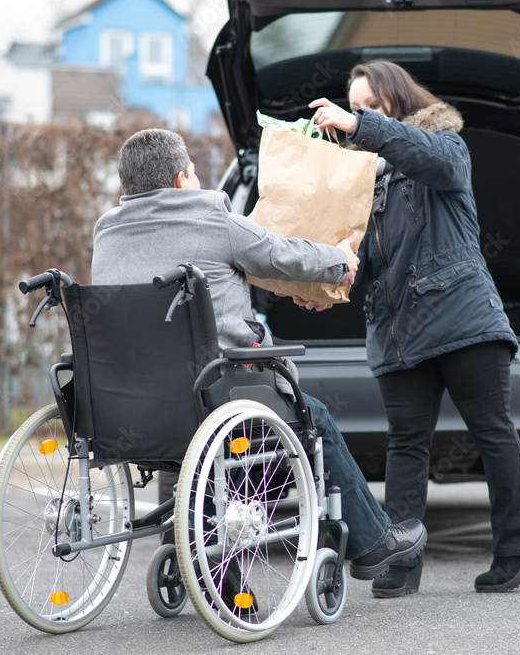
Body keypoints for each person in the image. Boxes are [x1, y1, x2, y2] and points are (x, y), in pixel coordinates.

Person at [90, 128, 426, 589]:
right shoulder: (207, 215)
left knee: (257, 447)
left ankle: (214, 563)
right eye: (191, 171)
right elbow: (278, 254)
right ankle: (373, 545)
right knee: (313, 420)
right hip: (212, 397)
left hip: (126, 409)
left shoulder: (107, 230)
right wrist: (340, 260)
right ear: (180, 179)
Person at [306, 60, 520, 597]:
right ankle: (404, 561)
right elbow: (361, 256)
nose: (356, 116)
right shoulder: (364, 181)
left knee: (493, 431)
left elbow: (426, 157)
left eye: (368, 105)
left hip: (463, 318)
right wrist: (328, 288)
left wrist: (360, 128)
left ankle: (519, 548)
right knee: (406, 445)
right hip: (400, 331)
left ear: (394, 101)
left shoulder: (445, 146)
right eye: (354, 107)